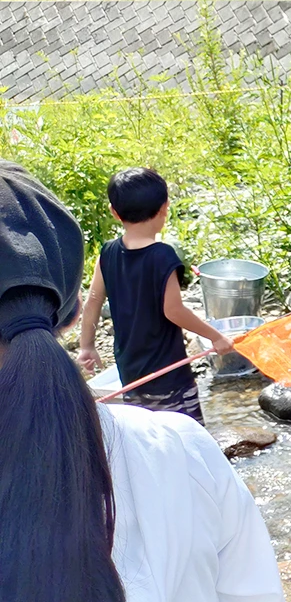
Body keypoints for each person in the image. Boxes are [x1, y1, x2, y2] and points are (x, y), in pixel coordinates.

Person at [0, 161, 291, 602]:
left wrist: (91, 344)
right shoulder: (185, 455)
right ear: (60, 302)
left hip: (126, 380)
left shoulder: (109, 259)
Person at [77, 167, 232, 423]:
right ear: (164, 208)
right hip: (168, 376)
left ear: (114, 212)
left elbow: (93, 301)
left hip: (131, 374)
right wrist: (216, 337)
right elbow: (173, 311)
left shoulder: (108, 253)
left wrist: (87, 346)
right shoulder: (163, 256)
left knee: (147, 436)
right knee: (187, 438)